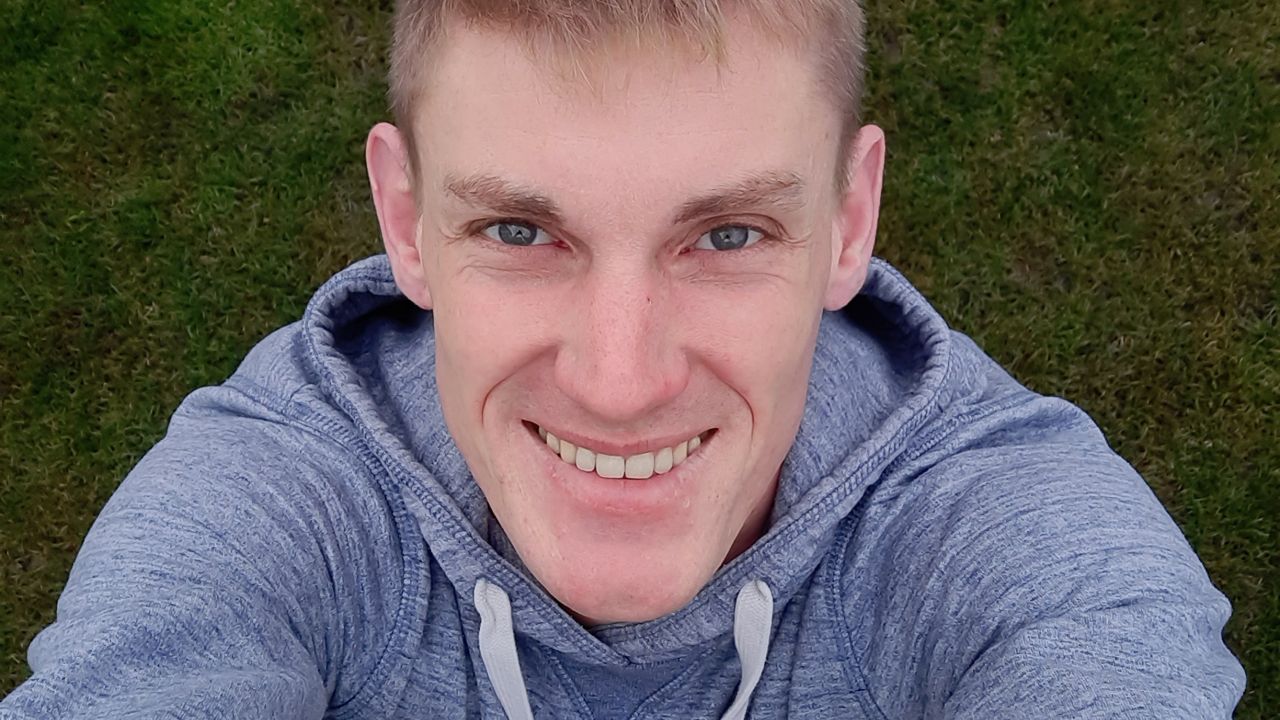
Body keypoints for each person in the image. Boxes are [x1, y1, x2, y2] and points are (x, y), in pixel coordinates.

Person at [0, 1, 1246, 718]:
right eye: (519, 231)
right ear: (404, 221)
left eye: (726, 235)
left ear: (849, 219)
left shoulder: (1018, 539)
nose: (618, 381)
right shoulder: (272, 504)